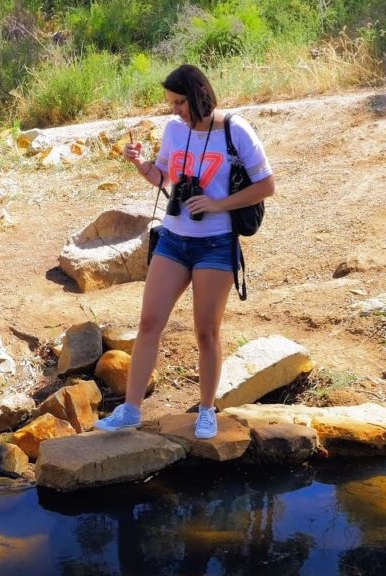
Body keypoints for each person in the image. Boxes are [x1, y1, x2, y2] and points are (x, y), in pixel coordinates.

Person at [94, 64, 275, 439]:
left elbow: (267, 186)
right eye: (171, 104)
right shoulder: (174, 130)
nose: (175, 110)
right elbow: (166, 179)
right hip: (174, 239)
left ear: (198, 96)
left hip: (215, 244)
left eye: (179, 103)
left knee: (206, 332)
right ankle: (130, 410)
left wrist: (216, 204)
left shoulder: (234, 129)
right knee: (148, 323)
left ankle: (207, 410)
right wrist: (140, 164)